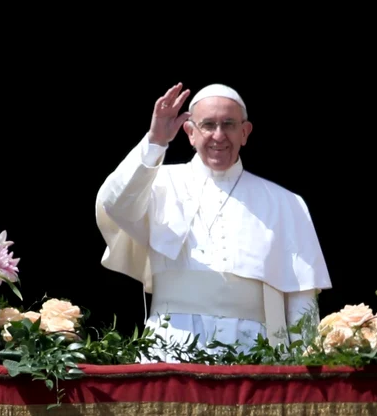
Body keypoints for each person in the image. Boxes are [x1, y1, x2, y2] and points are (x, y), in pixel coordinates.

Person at [95, 82, 332, 360]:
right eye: (208, 125)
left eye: (229, 124)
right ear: (190, 133)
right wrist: (155, 142)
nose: (219, 136)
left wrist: (305, 366)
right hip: (171, 343)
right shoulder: (157, 183)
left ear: (245, 133)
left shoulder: (286, 203)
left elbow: (301, 297)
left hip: (254, 349)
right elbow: (114, 204)